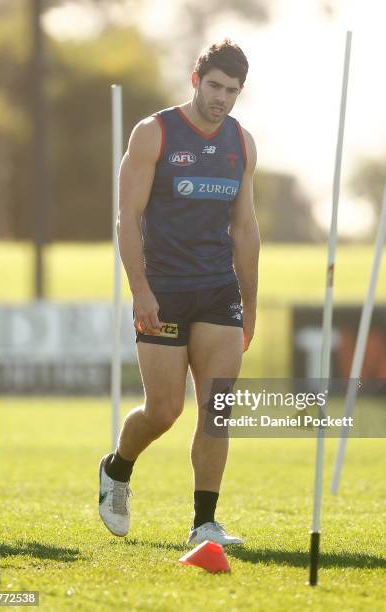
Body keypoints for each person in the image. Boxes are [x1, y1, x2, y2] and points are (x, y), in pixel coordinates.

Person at [98, 39, 259, 546]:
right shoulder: (155, 133)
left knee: (216, 407)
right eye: (214, 86)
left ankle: (204, 522)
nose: (221, 98)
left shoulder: (242, 142)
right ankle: (116, 468)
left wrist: (249, 305)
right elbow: (128, 218)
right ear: (196, 80)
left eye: (232, 91)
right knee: (164, 410)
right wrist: (140, 289)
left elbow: (245, 229)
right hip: (163, 290)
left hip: (218, 291)